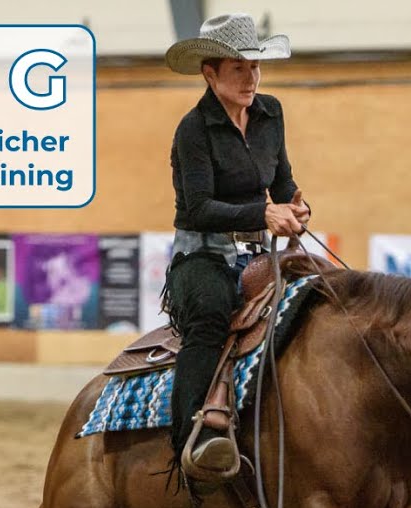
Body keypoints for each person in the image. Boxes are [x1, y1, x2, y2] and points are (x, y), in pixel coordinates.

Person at [163, 13, 309, 479]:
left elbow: (283, 183)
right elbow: (200, 207)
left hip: (258, 254)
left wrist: (297, 210)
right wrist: (263, 214)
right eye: (238, 68)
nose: (251, 78)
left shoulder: (271, 113)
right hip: (202, 255)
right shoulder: (193, 130)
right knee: (209, 314)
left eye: (255, 66)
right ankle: (192, 439)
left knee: (329, 294)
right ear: (210, 73)